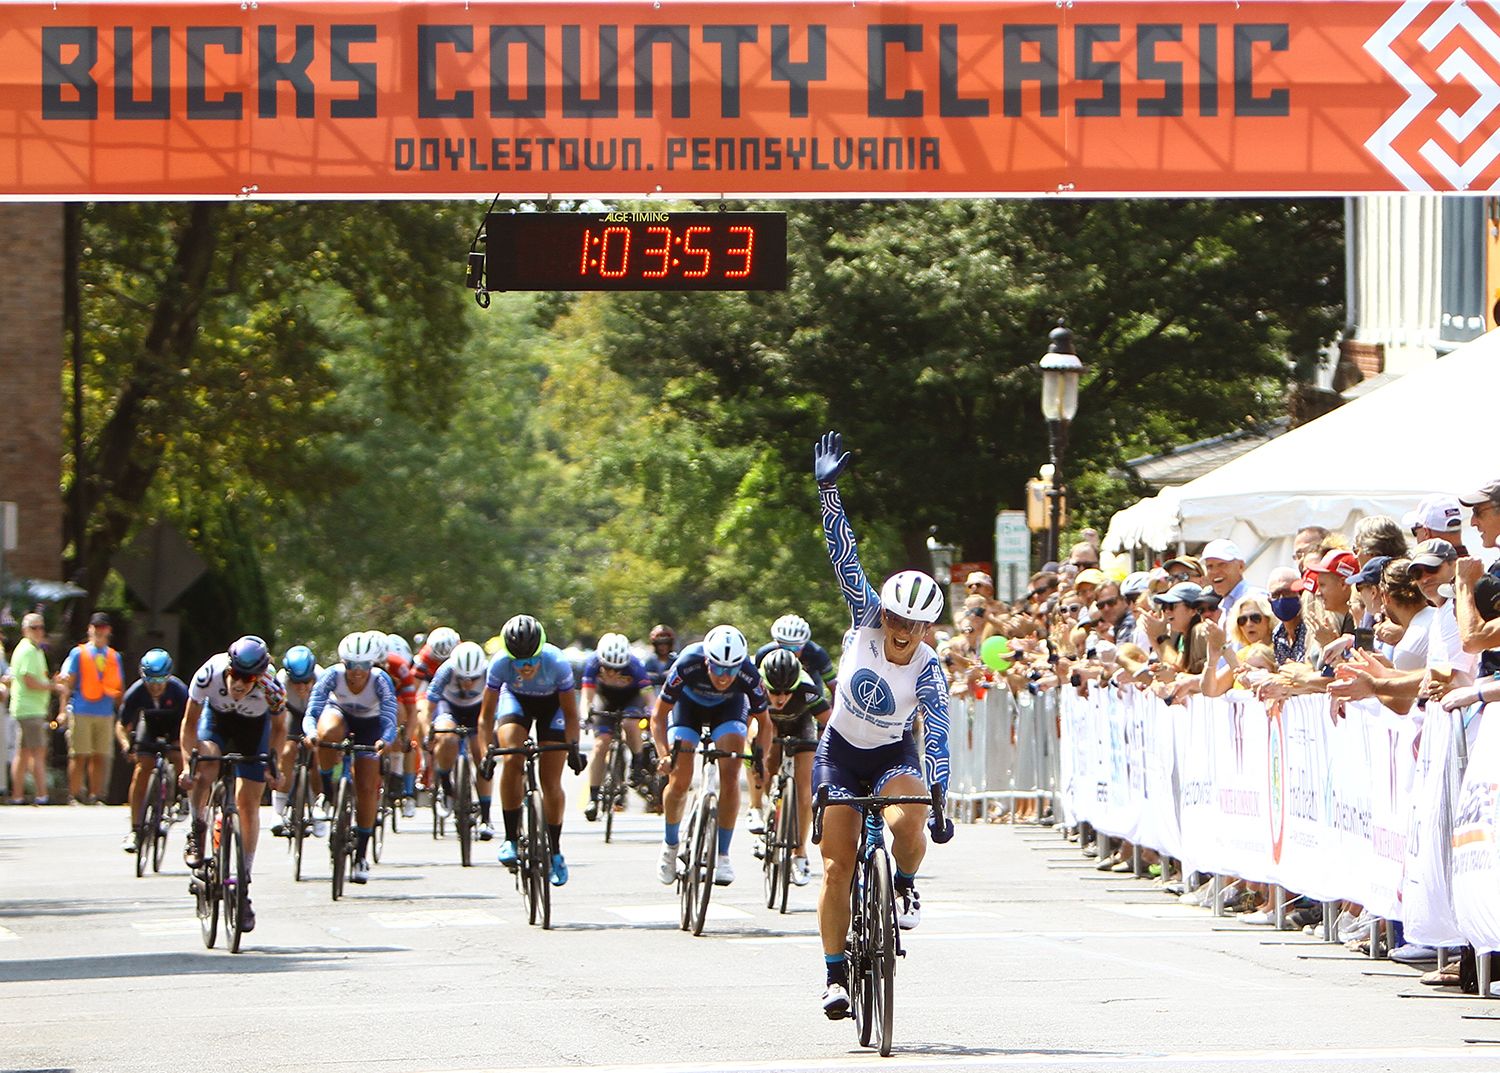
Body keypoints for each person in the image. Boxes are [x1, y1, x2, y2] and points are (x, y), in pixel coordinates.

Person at [810, 431, 953, 1019]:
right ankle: (835, 975)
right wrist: (828, 491)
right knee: (838, 864)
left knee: (911, 815)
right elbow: (844, 553)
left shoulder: (926, 667)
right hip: (840, 750)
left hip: (892, 756)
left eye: (914, 624)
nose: (901, 629)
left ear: (926, 630)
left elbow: (937, 732)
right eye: (896, 617)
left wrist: (939, 793)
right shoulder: (865, 617)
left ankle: (904, 884)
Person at [650, 623, 771, 888]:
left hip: (728, 710)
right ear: (707, 661)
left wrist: (760, 759)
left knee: (730, 776)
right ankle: (670, 845)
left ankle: (723, 855)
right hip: (688, 708)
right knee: (680, 779)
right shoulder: (687, 663)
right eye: (717, 668)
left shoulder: (749, 674)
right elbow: (658, 716)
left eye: (731, 670)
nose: (724, 677)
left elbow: (765, 723)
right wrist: (663, 754)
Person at [180, 636, 288, 932]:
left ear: (260, 676)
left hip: (253, 730)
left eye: (248, 678)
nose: (239, 684)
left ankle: (243, 884)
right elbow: (189, 725)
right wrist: (187, 766)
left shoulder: (272, 688)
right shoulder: (209, 673)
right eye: (235, 675)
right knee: (208, 762)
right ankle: (197, 826)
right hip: (216, 722)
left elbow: (280, 729)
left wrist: (273, 764)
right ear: (228, 667)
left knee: (248, 803)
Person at [478, 614, 586, 886]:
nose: (525, 668)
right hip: (516, 702)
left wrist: (572, 746)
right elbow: (485, 716)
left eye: (531, 661)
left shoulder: (557, 663)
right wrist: (485, 753)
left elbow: (571, 715)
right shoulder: (500, 664)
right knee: (512, 758)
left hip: (553, 708)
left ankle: (556, 850)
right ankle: (511, 839)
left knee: (551, 781)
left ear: (541, 653)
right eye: (519, 662)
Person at [304, 631, 399, 885]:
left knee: (367, 787)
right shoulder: (331, 676)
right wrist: (312, 734)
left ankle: (361, 855)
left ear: (373, 664)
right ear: (343, 663)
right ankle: (326, 791)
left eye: (364, 666)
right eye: (351, 666)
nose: (357, 672)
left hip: (370, 724)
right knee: (327, 732)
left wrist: (385, 741)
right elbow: (312, 711)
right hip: (339, 715)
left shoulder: (381, 680)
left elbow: (390, 717)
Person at [749, 647, 830, 887]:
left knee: (805, 790)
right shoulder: (756, 688)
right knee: (764, 758)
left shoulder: (807, 689)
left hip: (801, 727)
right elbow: (746, 725)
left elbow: (831, 723)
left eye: (787, 691)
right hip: (769, 725)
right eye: (775, 692)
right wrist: (756, 757)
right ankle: (768, 809)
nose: (781, 697)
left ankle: (800, 852)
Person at [115, 648, 189, 853]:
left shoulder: (179, 691)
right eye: (150, 682)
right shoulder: (136, 691)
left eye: (159, 681)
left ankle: (182, 797)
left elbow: (191, 721)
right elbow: (122, 724)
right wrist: (126, 745)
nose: (155, 687)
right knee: (142, 770)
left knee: (178, 756)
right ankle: (135, 830)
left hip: (175, 727)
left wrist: (186, 746)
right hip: (149, 726)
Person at [580, 632, 654, 821]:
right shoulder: (592, 664)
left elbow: (648, 696)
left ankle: (637, 763)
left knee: (630, 724)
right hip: (605, 700)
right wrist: (585, 714)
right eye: (608, 668)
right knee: (600, 745)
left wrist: (652, 712)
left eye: (617, 669)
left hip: (631, 699)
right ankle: (593, 798)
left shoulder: (635, 666)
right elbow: (587, 696)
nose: (612, 673)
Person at [55, 611, 125, 805]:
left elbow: (119, 687)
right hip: (81, 709)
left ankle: (97, 795)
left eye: (102, 627)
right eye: (95, 627)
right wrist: (62, 710)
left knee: (101, 755)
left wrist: (123, 714)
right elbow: (68, 683)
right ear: (90, 629)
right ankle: (75, 794)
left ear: (108, 630)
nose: (99, 631)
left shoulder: (114, 656)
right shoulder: (79, 653)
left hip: (105, 711)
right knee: (79, 754)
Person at [424, 640, 490, 828]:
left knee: (482, 755)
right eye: (462, 679)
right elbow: (428, 708)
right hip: (449, 707)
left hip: (477, 709)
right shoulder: (446, 670)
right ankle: (446, 784)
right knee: (446, 736)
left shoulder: (488, 670)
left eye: (473, 679)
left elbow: (498, 707)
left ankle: (486, 818)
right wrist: (427, 734)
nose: (468, 683)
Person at [271, 645, 323, 838]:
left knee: (318, 754)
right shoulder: (279, 681)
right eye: (296, 682)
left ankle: (318, 805)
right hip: (291, 712)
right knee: (286, 751)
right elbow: (276, 719)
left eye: (306, 682)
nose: (301, 687)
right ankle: (277, 811)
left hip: (316, 711)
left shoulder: (323, 678)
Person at [8, 614, 52, 805]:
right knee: (38, 752)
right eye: (34, 627)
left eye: (41, 627)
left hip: (30, 709)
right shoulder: (27, 650)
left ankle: (18, 796)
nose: (39, 631)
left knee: (24, 753)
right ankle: (42, 794)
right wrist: (52, 686)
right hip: (30, 709)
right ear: (25, 630)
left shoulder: (35, 650)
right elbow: (29, 680)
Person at [756, 612, 838, 700]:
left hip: (809, 692)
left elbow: (834, 688)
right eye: (784, 647)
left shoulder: (817, 654)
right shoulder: (763, 653)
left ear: (804, 644)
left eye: (794, 648)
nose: (789, 652)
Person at [642, 624, 678, 689]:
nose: (662, 647)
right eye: (659, 644)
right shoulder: (648, 662)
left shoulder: (677, 661)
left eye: (666, 644)